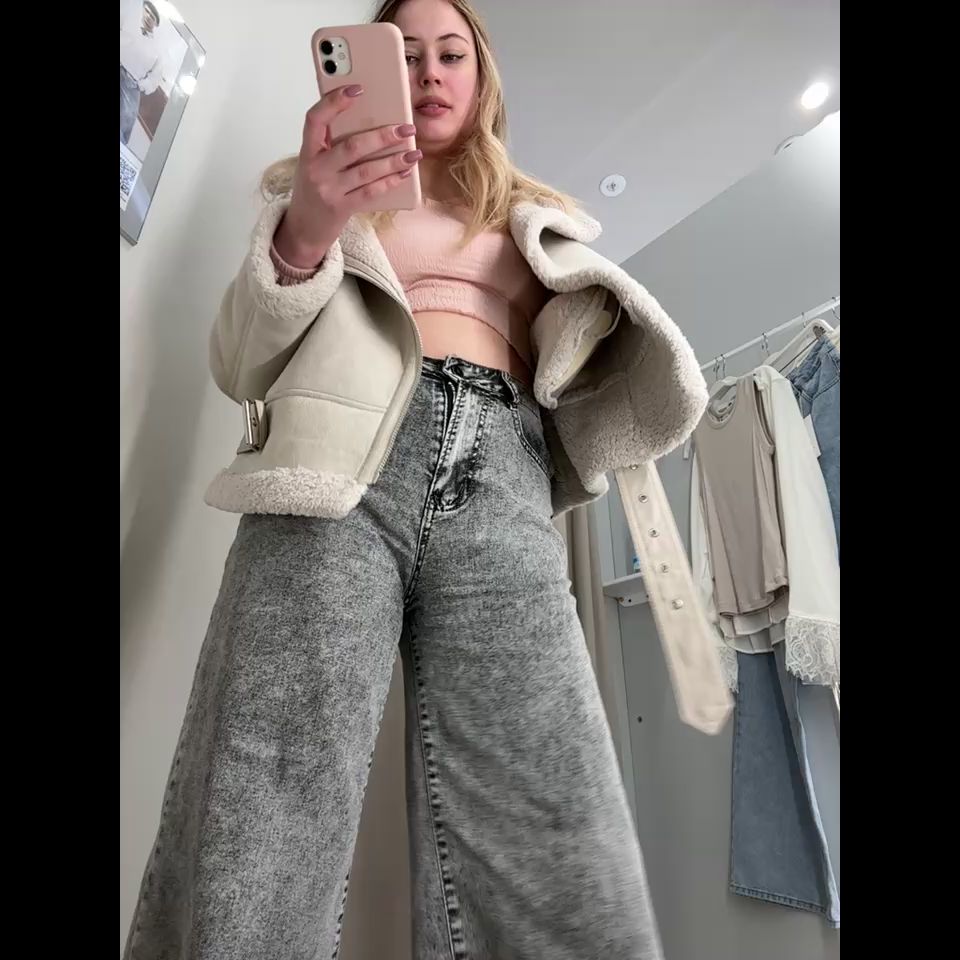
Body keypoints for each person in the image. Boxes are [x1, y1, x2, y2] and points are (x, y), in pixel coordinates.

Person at [123, 1, 710, 958]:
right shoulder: (315, 195)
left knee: (555, 804)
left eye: (451, 54)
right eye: (403, 54)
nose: (430, 72)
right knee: (268, 779)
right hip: (338, 464)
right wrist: (308, 228)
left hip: (505, 474)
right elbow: (238, 362)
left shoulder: (535, 215)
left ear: (481, 78)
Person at [120, 0, 163, 145]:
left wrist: (141, 85)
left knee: (124, 122)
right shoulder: (128, 24)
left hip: (131, 85)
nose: (148, 17)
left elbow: (155, 79)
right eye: (147, 12)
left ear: (156, 24)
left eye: (153, 17)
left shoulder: (157, 50)